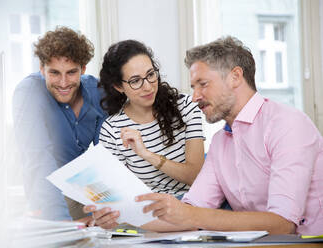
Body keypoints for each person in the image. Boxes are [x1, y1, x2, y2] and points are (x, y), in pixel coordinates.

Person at [88, 36, 323, 235]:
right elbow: (190, 208)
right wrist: (120, 216)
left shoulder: (287, 124)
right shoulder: (221, 143)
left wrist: (190, 214)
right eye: (193, 86)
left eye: (202, 84)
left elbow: (282, 224)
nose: (194, 96)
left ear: (235, 77)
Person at [83, 39, 205, 226]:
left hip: (191, 204)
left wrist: (146, 154)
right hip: (147, 212)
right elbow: (117, 193)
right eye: (135, 81)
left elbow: (195, 176)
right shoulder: (112, 128)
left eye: (150, 75)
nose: (147, 86)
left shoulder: (186, 107)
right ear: (118, 86)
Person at [13, 26, 106, 222]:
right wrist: (63, 224)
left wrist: (105, 213)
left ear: (83, 69)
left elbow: (105, 156)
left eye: (71, 72)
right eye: (54, 73)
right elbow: (38, 160)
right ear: (41, 69)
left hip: (84, 192)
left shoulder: (98, 92)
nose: (63, 83)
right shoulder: (29, 92)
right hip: (47, 197)